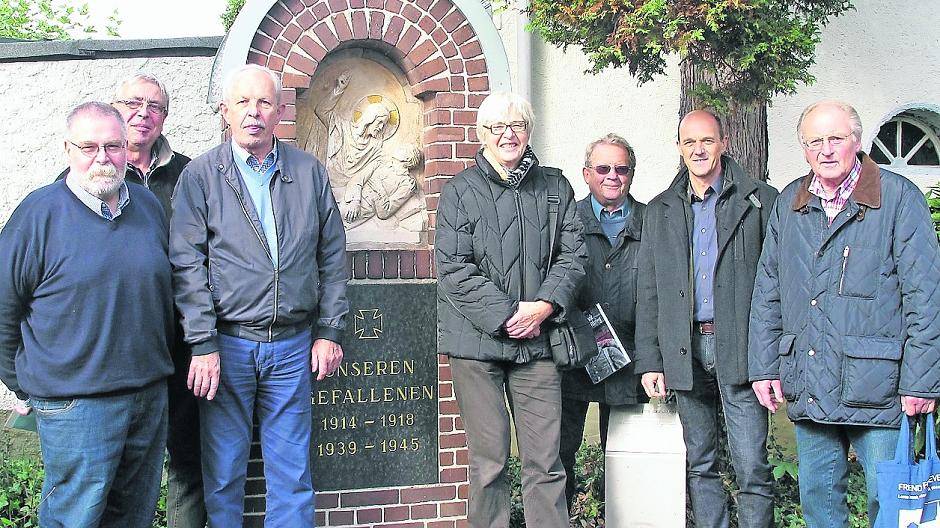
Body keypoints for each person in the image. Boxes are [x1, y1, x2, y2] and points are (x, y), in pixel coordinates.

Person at [170, 64, 349, 527]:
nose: (254, 113)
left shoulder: (308, 172)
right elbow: (187, 266)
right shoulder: (202, 176)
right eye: (243, 103)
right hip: (227, 347)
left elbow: (331, 256)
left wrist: (329, 330)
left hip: (292, 346)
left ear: (279, 111)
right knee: (224, 473)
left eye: (264, 103)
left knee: (292, 475)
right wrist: (203, 344)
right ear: (225, 111)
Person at [749, 100, 940, 526]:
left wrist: (921, 382)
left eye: (835, 138)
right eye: (814, 141)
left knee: (886, 503)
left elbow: (926, 297)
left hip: (879, 386)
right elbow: (768, 291)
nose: (826, 149)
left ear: (856, 141)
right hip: (810, 378)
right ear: (804, 149)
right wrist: (764, 368)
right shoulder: (791, 202)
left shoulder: (898, 198)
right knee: (818, 501)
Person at [0, 101, 174, 527]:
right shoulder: (38, 215)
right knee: (75, 518)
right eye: (89, 146)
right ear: (67, 149)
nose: (102, 157)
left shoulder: (148, 208)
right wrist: (26, 385)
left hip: (147, 397)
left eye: (113, 146)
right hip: (76, 406)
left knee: (133, 518)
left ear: (125, 149)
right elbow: (2, 310)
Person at [54, 74, 203, 528]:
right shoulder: (75, 183)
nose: (144, 113)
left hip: (180, 346)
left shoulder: (190, 175)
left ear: (165, 118)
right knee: (98, 482)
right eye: (133, 103)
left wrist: (204, 340)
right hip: (112, 361)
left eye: (155, 106)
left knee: (187, 465)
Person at [435, 91, 587, 527]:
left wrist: (542, 307)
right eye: (497, 127)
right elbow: (453, 268)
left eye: (517, 125)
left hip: (538, 344)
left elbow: (573, 255)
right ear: (481, 135)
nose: (508, 134)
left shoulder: (555, 187)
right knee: (489, 465)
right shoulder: (460, 192)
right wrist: (506, 314)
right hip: (477, 346)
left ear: (529, 131)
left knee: (546, 463)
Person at [634, 109, 778, 528]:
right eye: (689, 142)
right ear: (679, 148)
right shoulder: (660, 209)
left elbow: (777, 285)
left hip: (742, 349)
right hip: (685, 349)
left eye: (707, 140)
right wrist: (651, 360)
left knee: (752, 467)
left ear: (724, 143)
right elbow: (650, 293)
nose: (698, 150)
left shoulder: (758, 201)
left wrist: (772, 357)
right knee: (700, 464)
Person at [559, 133, 647, 509]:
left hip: (631, 354)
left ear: (631, 174)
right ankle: (562, 514)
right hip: (575, 351)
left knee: (626, 460)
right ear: (586, 174)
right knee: (559, 453)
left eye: (621, 168)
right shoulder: (566, 219)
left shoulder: (650, 220)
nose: (612, 175)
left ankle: (620, 516)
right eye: (603, 168)